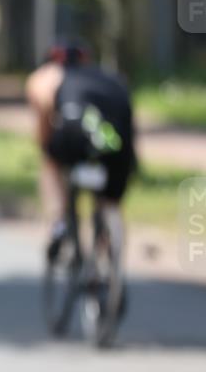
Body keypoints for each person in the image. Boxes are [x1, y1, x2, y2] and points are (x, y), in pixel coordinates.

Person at [25, 38, 137, 268]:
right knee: (110, 203)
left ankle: (58, 224)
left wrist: (47, 150)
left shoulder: (45, 77)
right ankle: (110, 268)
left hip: (74, 134)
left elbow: (43, 131)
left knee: (50, 163)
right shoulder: (113, 78)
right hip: (118, 142)